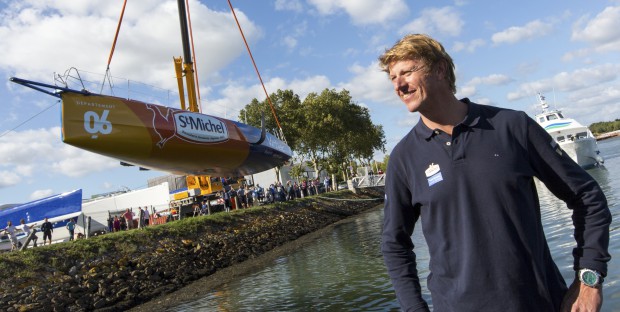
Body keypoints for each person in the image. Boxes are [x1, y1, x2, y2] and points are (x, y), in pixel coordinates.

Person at [379, 34, 611, 312]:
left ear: (439, 69)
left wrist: (589, 279)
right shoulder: (404, 158)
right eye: (393, 78)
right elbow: (395, 244)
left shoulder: (513, 127)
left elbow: (587, 197)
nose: (399, 85)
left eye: (406, 72)